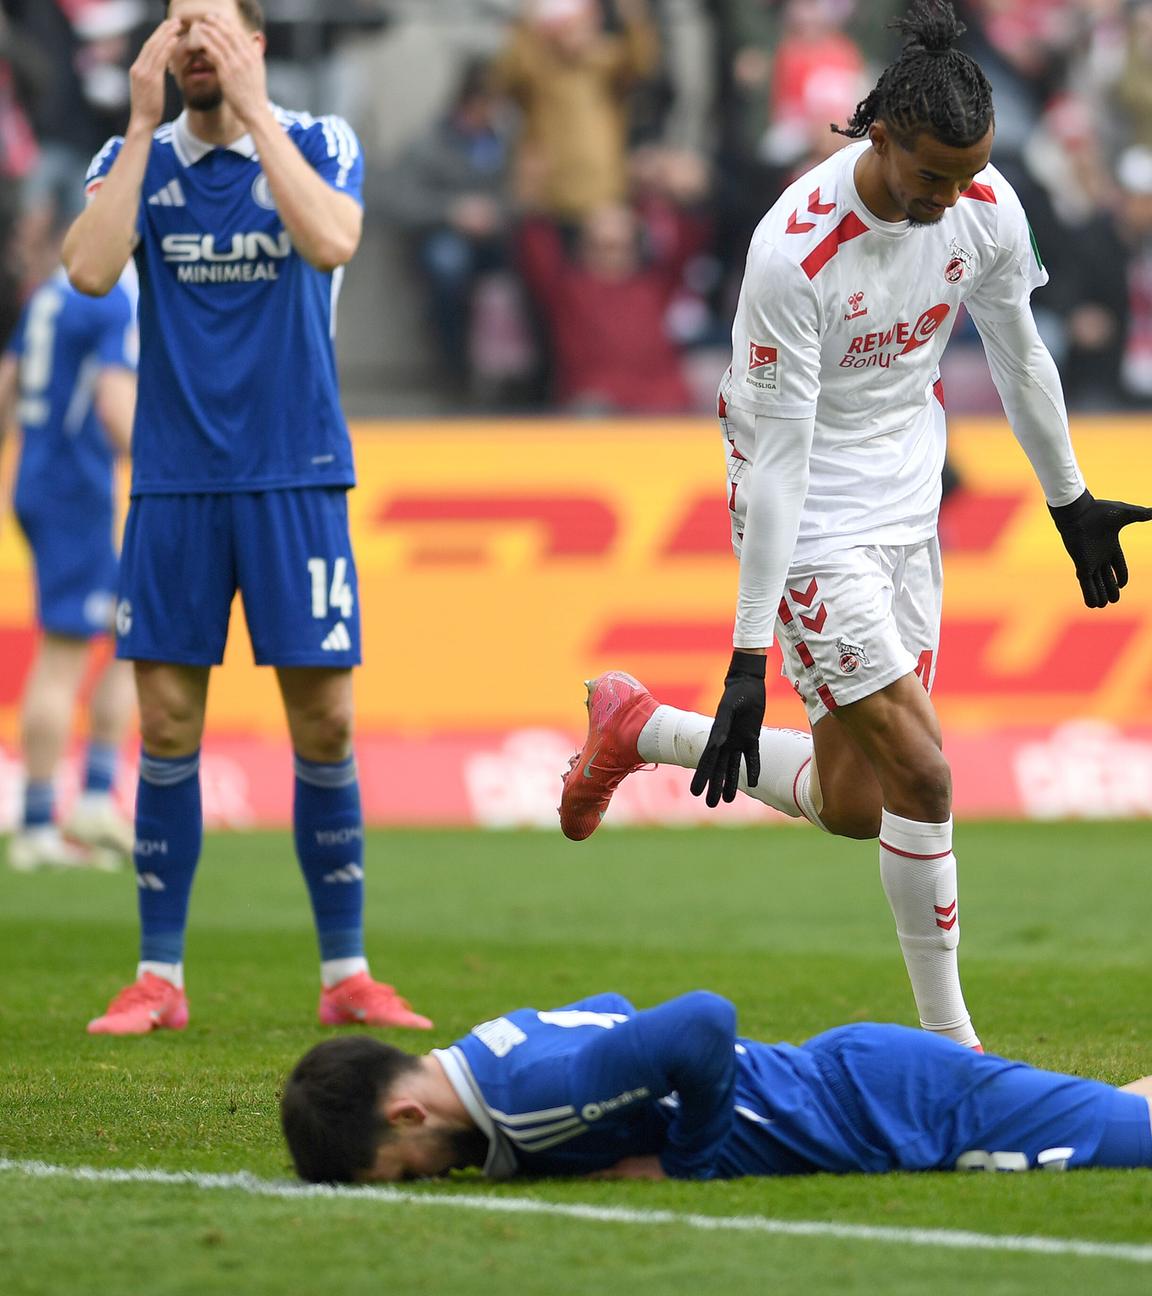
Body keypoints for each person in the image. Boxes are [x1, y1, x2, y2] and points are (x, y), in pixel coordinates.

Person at [558, 1, 1152, 1053]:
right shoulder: (795, 254)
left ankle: (639, 728)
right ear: (879, 137)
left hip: (907, 496)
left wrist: (1068, 498)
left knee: (861, 805)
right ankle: (956, 1052)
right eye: (931, 176)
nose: (948, 198)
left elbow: (1018, 355)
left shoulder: (982, 205)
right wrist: (749, 656)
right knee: (926, 773)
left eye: (967, 174)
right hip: (809, 507)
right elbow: (778, 461)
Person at [62, 0, 431, 1035]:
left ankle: (347, 972)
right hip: (176, 481)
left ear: (255, 46)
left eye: (214, 25)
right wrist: (138, 128)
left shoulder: (317, 141)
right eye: (178, 25)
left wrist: (260, 114)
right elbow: (90, 270)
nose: (193, 44)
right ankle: (159, 978)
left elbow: (334, 239)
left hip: (296, 472)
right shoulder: (126, 156)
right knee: (168, 723)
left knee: (326, 721)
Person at [281, 988, 1152, 1183]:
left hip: (892, 1111)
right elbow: (617, 1009)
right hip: (856, 1078)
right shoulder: (485, 1051)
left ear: (405, 1112)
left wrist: (686, 1162)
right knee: (1127, 1116)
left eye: (404, 1169)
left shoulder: (530, 1095)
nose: (436, 1178)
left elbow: (700, 1021)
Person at [0, 258, 138, 872]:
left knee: (130, 635)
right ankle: (36, 824)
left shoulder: (51, 292)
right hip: (75, 490)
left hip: (37, 476)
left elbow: (8, 378)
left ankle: (90, 798)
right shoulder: (112, 296)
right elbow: (113, 403)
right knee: (64, 654)